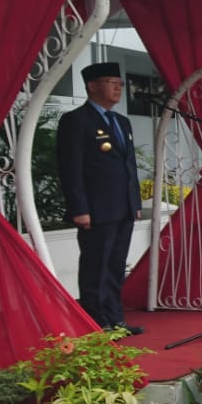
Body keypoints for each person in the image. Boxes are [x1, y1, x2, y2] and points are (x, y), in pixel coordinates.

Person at [56, 62, 143, 335]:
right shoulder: (76, 120)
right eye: (110, 81)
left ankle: (116, 319)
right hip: (96, 209)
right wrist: (79, 208)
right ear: (92, 86)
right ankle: (96, 320)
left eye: (120, 82)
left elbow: (129, 166)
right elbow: (71, 169)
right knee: (96, 266)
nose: (118, 87)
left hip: (123, 208)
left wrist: (135, 202)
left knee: (116, 266)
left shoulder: (122, 122)